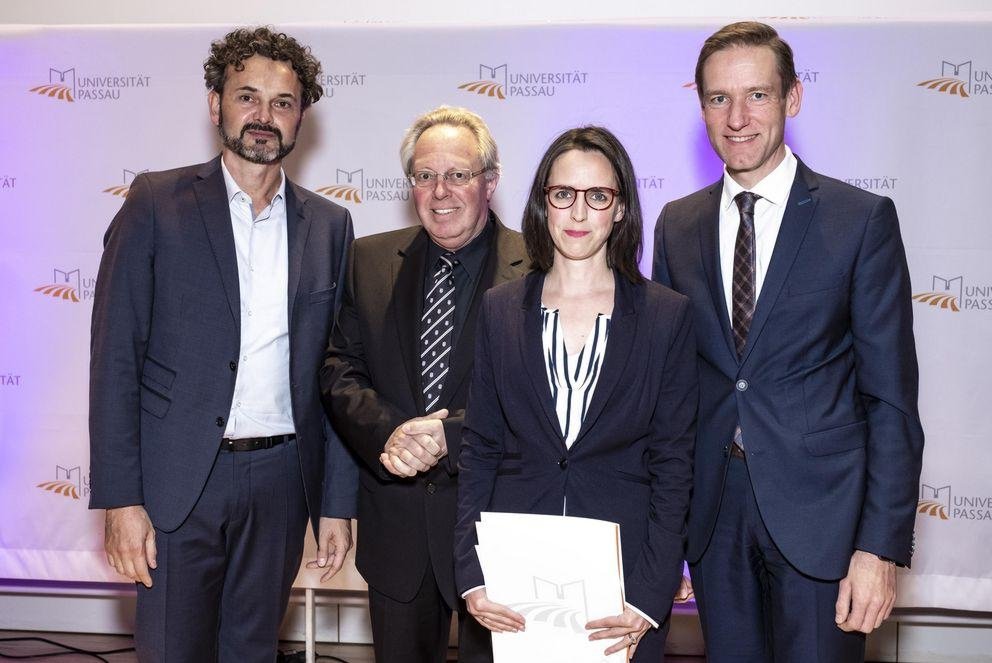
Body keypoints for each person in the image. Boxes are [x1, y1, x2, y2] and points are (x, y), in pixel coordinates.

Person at [653, 21, 925, 662]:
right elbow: (670, 392)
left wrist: (879, 547)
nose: (738, 117)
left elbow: (890, 401)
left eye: (757, 95)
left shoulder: (859, 221)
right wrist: (665, 537)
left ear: (792, 98)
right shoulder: (677, 224)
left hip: (825, 525)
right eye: (719, 98)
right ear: (701, 106)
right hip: (714, 525)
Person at [88, 26, 357, 662]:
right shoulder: (156, 202)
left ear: (301, 119)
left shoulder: (329, 225)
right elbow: (115, 359)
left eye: (283, 103)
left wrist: (338, 505)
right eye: (247, 97)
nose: (264, 117)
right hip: (178, 482)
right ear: (216, 106)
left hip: (280, 483)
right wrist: (121, 499)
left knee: (252, 652)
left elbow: (339, 374)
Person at [454, 126, 698, 661]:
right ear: (544, 204)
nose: (579, 214)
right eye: (563, 195)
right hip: (513, 583)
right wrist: (472, 576)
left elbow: (674, 465)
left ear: (621, 208)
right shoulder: (499, 309)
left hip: (622, 588)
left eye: (598, 196)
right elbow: (480, 451)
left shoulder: (667, 316)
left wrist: (650, 593)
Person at [320, 106, 528, 663]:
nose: (440, 191)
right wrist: (391, 434)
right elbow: (340, 370)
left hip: (500, 531)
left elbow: (540, 391)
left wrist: (450, 434)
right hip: (398, 529)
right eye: (424, 175)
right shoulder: (367, 259)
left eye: (458, 174)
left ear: (491, 179)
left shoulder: (538, 266)